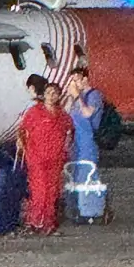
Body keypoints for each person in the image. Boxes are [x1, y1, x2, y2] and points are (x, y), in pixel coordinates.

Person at [17, 82, 74, 235]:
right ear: (43, 95)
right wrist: (25, 149)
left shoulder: (62, 115)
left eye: (54, 93)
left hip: (55, 159)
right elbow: (22, 131)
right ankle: (34, 222)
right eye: (48, 92)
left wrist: (64, 150)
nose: (51, 96)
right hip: (37, 158)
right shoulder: (34, 112)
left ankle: (48, 224)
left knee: (52, 192)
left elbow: (70, 132)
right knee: (39, 191)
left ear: (58, 96)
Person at [63, 67, 104, 183]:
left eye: (77, 80)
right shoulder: (77, 98)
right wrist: (71, 97)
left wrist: (77, 96)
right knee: (74, 174)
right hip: (76, 141)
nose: (75, 84)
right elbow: (67, 114)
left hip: (88, 141)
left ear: (85, 79)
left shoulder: (94, 95)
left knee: (87, 172)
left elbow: (87, 114)